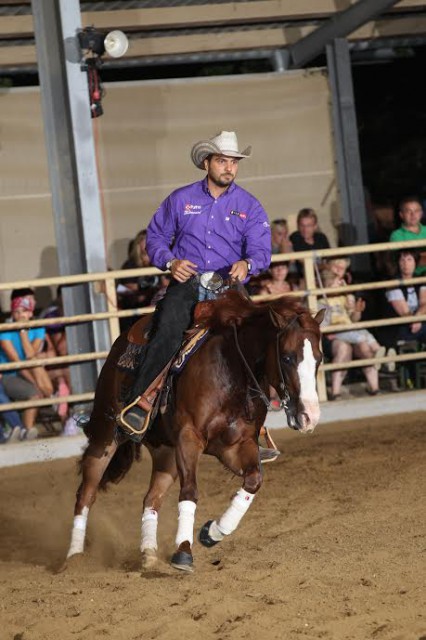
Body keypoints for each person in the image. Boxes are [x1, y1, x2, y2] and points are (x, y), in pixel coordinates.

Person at [119, 130, 271, 436]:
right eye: (222, 161)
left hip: (228, 284)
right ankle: (140, 400)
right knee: (168, 328)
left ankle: (258, 419)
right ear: (207, 163)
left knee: (256, 338)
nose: (229, 167)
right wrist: (170, 262)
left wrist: (248, 263)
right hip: (188, 281)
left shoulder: (249, 205)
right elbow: (156, 238)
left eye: (234, 162)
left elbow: (261, 249)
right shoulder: (180, 199)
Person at [320, 269, 386, 397]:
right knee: (345, 348)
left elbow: (354, 319)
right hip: (334, 334)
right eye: (337, 283)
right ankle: (335, 392)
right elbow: (322, 325)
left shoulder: (343, 298)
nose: (340, 284)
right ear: (327, 286)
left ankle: (375, 388)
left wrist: (356, 309)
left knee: (364, 344)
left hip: (349, 329)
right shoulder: (321, 301)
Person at [0, 288, 53, 440]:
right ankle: (26, 430)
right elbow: (17, 364)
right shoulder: (5, 330)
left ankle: (26, 429)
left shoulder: (38, 327)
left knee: (35, 362)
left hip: (29, 370)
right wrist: (35, 384)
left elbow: (30, 356)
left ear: (30, 312)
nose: (20, 315)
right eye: (17, 311)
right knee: (34, 393)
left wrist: (23, 332)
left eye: (24, 311)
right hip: (8, 375)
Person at [385, 249, 426, 343]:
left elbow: (424, 303)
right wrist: (416, 320)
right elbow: (404, 312)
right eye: (402, 260)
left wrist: (418, 318)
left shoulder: (420, 279)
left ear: (415, 262)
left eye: (409, 259)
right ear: (398, 263)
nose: (405, 264)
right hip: (400, 327)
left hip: (419, 322)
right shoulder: (392, 283)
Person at [290, 208, 330, 281]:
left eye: (309, 226)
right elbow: (304, 263)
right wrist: (324, 266)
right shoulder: (295, 237)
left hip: (323, 276)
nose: (305, 229)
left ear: (315, 226)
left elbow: (329, 259)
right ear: (298, 226)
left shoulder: (321, 238)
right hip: (304, 278)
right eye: (302, 225)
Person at [390, 196, 426, 275]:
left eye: (416, 211)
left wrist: (418, 256)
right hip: (411, 278)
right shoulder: (396, 235)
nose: (413, 214)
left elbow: (415, 259)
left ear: (421, 213)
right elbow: (406, 263)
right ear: (401, 215)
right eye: (408, 211)